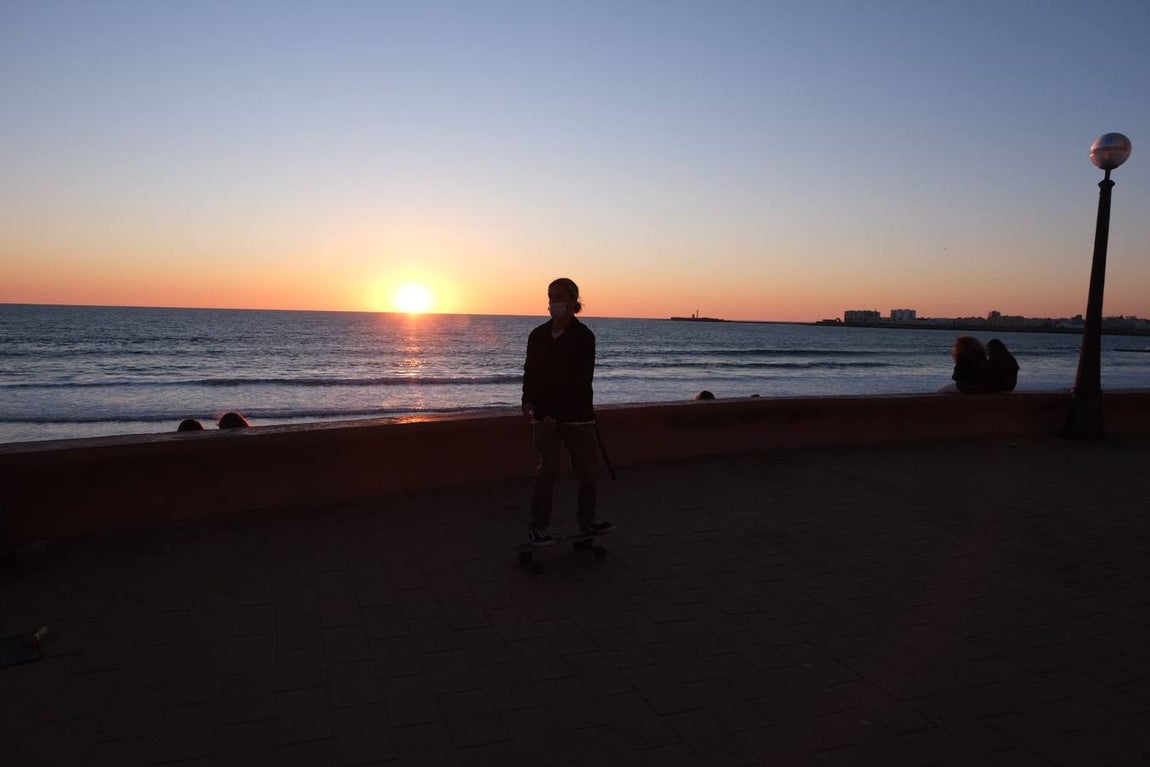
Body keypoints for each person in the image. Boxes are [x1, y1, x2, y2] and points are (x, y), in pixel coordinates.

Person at [521, 278, 612, 545]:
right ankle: (538, 527)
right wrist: (527, 400)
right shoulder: (537, 335)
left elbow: (579, 380)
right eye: (551, 296)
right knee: (545, 472)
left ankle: (588, 521)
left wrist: (555, 414)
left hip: (577, 417)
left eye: (560, 297)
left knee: (586, 472)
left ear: (574, 301)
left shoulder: (584, 337)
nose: (554, 302)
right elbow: (531, 372)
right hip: (543, 417)